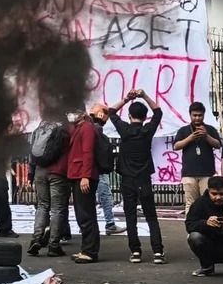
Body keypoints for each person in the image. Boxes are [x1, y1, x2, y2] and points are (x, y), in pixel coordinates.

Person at [108, 89, 165, 264]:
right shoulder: (147, 130)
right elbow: (158, 112)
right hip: (144, 178)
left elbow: (111, 111)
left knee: (130, 215)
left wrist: (126, 98)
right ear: (144, 116)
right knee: (151, 215)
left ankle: (135, 251)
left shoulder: (124, 130)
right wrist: (144, 95)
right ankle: (157, 251)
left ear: (130, 115)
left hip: (127, 178)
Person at [27, 110, 71, 258]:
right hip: (58, 173)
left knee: (42, 205)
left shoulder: (40, 129)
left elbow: (32, 154)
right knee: (57, 209)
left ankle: (36, 238)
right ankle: (53, 245)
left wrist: (30, 174)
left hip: (40, 172)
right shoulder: (65, 130)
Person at [173, 101, 222, 215]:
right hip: (189, 173)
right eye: (194, 115)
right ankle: (191, 228)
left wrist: (206, 136)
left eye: (200, 115)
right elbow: (176, 146)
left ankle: (207, 227)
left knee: (208, 202)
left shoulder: (210, 129)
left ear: (204, 115)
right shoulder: (184, 130)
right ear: (190, 115)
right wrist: (190, 138)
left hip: (207, 173)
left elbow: (218, 144)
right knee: (191, 203)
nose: (197, 118)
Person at [67, 112, 101, 263]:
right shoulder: (78, 128)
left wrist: (85, 175)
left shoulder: (87, 128)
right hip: (78, 174)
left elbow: (88, 152)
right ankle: (86, 248)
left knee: (85, 214)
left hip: (83, 175)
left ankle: (90, 250)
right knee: (83, 213)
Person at [185, 176, 223, 276]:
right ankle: (207, 266)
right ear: (208, 191)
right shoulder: (200, 203)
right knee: (194, 237)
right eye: (214, 194)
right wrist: (205, 223)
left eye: (222, 194)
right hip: (209, 243)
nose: (218, 197)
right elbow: (189, 224)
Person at [88, 105, 125, 236]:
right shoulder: (97, 131)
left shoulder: (85, 128)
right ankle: (110, 224)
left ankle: (87, 226)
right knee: (105, 196)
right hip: (98, 170)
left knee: (88, 198)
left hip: (88, 170)